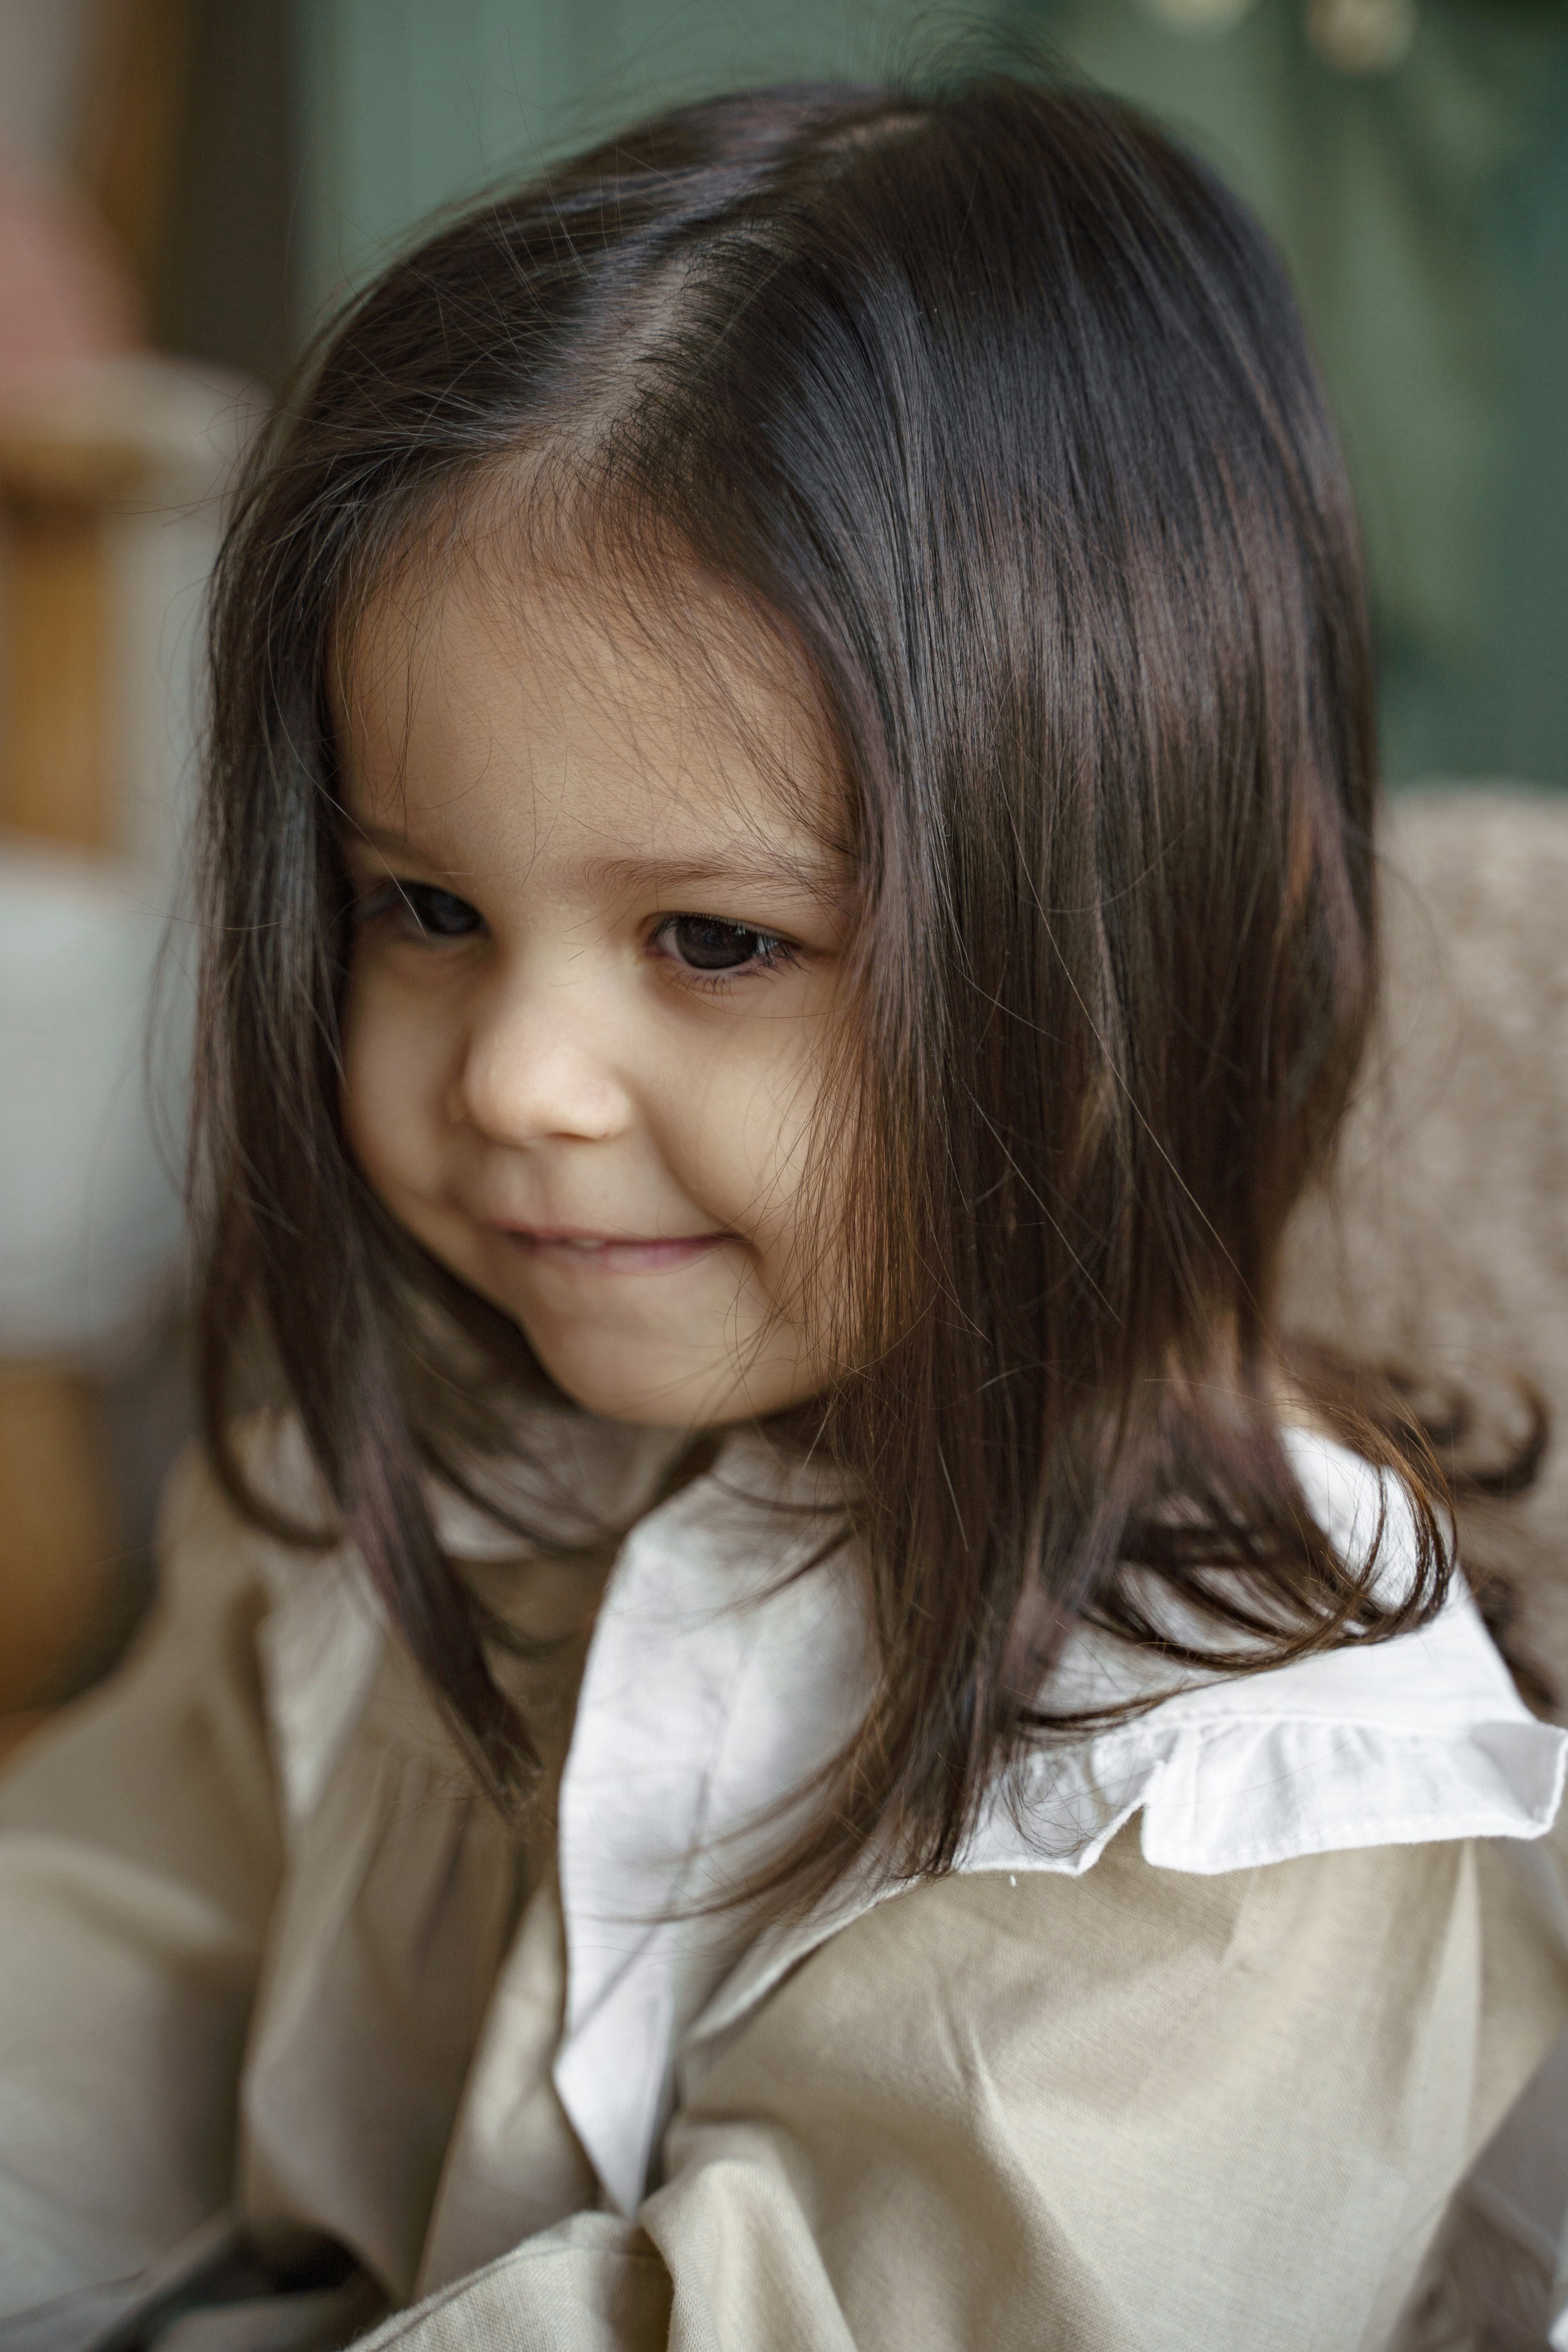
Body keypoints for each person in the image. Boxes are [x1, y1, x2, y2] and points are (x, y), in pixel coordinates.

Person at [1, 77, 1564, 2352]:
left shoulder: (1235, 1794)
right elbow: (100, 1951)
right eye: (423, 905)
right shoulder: (440, 1435)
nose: (520, 1083)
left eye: (714, 944)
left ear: (1141, 936)